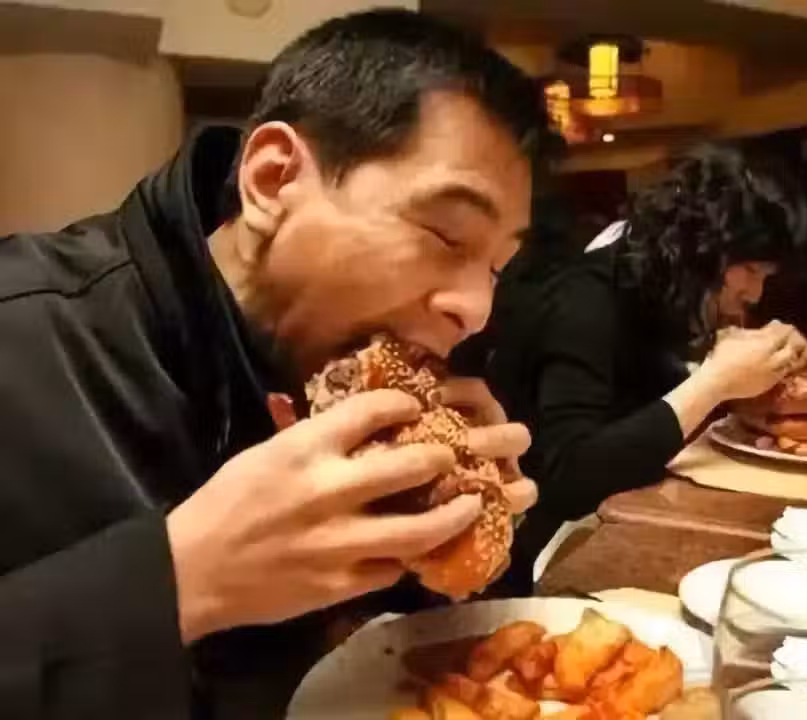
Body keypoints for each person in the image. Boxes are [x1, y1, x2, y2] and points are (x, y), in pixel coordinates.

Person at [0, 10, 555, 718]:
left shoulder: (368, 366)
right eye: (447, 234)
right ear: (271, 179)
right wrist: (180, 581)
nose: (476, 308)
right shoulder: (22, 331)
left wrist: (444, 541)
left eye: (498, 266)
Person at [454, 144, 807, 594]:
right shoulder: (584, 301)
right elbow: (568, 477)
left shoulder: (664, 289)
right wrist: (715, 383)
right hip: (537, 558)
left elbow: (649, 410)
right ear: (699, 248)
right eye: (749, 270)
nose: (756, 294)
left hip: (626, 520)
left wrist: (744, 392)